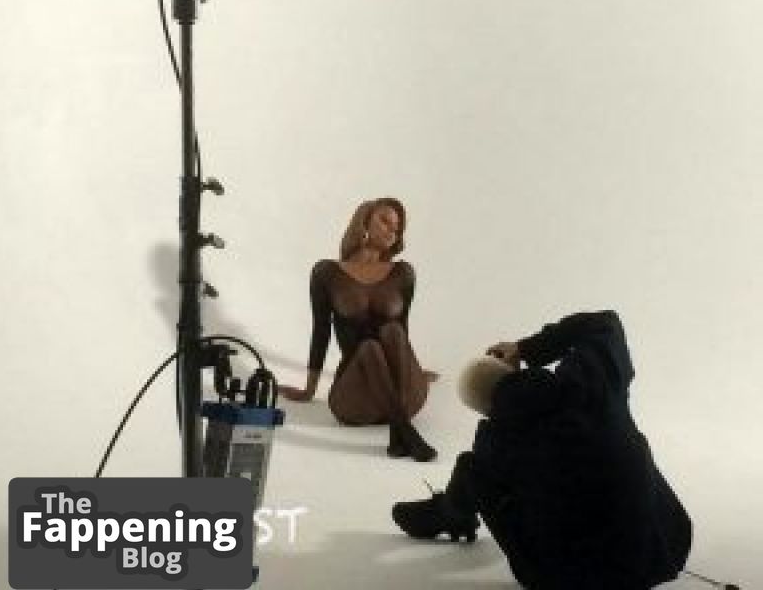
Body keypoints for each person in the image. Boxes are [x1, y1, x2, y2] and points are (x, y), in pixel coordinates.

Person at [391, 310, 693, 590]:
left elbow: (493, 461)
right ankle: (452, 513)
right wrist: (524, 349)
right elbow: (605, 323)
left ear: (487, 411)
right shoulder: (593, 379)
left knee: (470, 470)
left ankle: (450, 515)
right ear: (513, 372)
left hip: (568, 582)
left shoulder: (496, 442)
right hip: (666, 548)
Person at [280, 197, 439, 462]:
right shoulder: (327, 272)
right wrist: (309, 390)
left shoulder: (403, 272)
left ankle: (400, 430)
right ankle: (403, 430)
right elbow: (321, 331)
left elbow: (403, 331)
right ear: (364, 221)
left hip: (405, 394)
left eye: (397, 228)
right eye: (385, 221)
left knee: (392, 331)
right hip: (357, 397)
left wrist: (417, 373)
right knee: (369, 347)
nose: (391, 231)